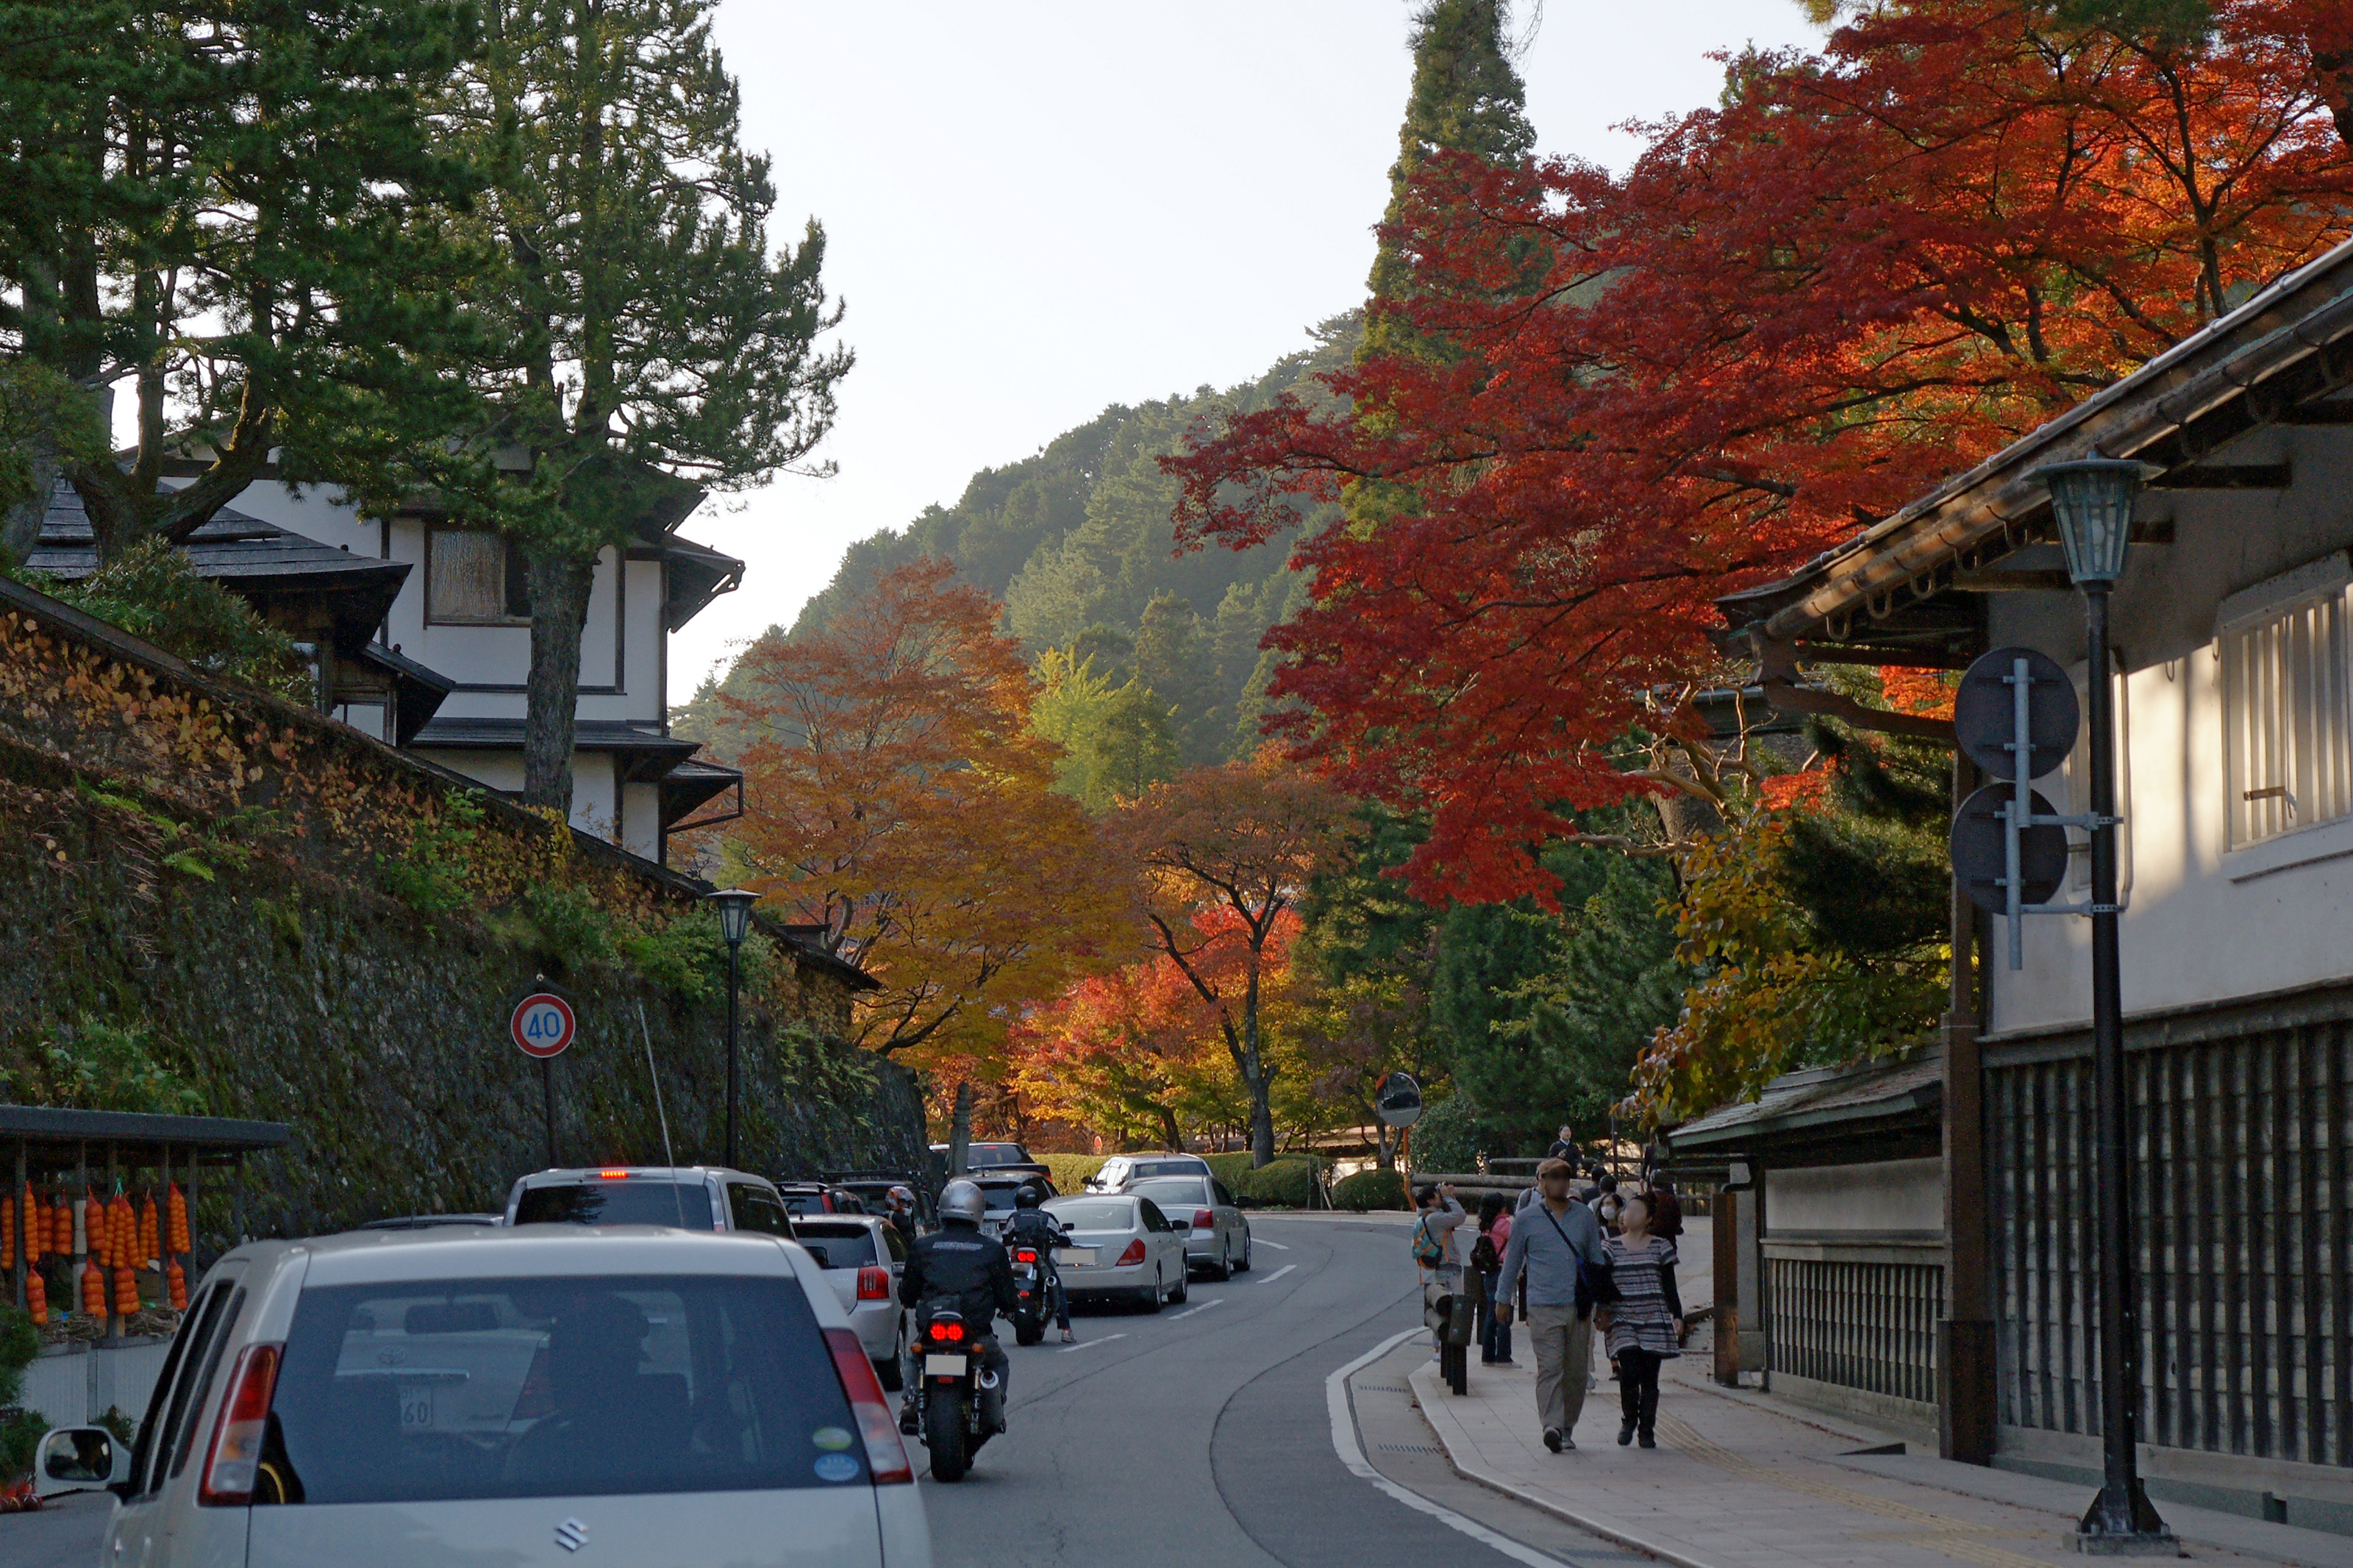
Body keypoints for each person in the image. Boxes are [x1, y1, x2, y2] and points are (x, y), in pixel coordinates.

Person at [1492, 1157, 1610, 1453]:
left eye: (1565, 1177)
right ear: (1541, 1182)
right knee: (1550, 1367)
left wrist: (1604, 1305)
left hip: (1579, 1306)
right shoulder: (1527, 1219)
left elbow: (1596, 1263)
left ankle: (1568, 1425)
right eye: (1553, 1177)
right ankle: (1552, 1425)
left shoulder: (1584, 1216)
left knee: (1576, 1371)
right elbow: (1513, 1261)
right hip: (1542, 1305)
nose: (1560, 1182)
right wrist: (1502, 1299)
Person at [896, 1178, 1019, 1434]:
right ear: (978, 1210)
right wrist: (1010, 1308)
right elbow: (1007, 1297)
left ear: (943, 1207)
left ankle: (909, 1402)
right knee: (998, 1364)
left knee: (915, 1358)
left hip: (933, 1328)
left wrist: (909, 1300)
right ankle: (996, 1405)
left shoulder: (922, 1246)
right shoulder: (992, 1250)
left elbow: (908, 1293)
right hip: (975, 1330)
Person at [1596, 1192, 1682, 1449]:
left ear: (1649, 1219)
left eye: (1636, 1210)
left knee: (1650, 1377)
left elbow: (1670, 1285)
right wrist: (1601, 1311)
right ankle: (1629, 1419)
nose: (1628, 1214)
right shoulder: (1610, 1247)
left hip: (1653, 1315)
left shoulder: (1660, 1247)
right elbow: (1603, 1284)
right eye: (1627, 1209)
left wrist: (1677, 1315)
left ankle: (1647, 1428)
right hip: (1622, 1317)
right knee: (1630, 1370)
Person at [1004, 1185, 1076, 1343]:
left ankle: (1005, 1309)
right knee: (1058, 1290)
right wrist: (1063, 1242)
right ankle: (1065, 1330)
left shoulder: (1014, 1217)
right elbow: (1061, 1236)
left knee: (1004, 1283)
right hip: (1040, 1258)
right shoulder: (1046, 1217)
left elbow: (1005, 1237)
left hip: (1020, 1261)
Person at [1411, 1182, 1468, 1357]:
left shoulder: (1431, 1216)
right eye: (1437, 1195)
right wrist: (1449, 1198)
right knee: (1453, 1309)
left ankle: (1441, 1349)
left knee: (1445, 1307)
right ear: (1430, 1200)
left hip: (1444, 1266)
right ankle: (1442, 1351)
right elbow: (1460, 1216)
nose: (1440, 1197)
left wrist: (1450, 1198)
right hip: (1448, 1267)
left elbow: (1453, 1217)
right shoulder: (1434, 1219)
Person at [1472, 1193, 1515, 1365]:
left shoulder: (1486, 1225)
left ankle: (1487, 1355)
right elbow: (1518, 1239)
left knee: (1491, 1314)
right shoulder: (1502, 1224)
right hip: (1502, 1271)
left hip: (1489, 1272)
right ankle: (1504, 1356)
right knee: (1504, 1315)